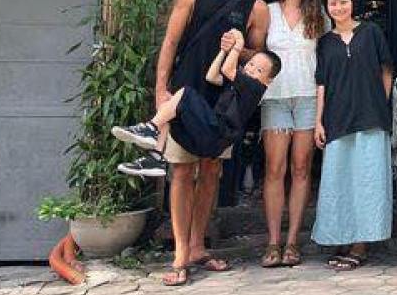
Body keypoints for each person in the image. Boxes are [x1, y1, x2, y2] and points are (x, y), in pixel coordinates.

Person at [147, 0, 270, 287]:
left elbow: (256, 57)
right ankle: (180, 253)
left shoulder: (257, 7)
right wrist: (160, 89)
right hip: (186, 91)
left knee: (211, 170)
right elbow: (171, 40)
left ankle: (199, 245)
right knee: (183, 172)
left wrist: (241, 45)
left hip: (222, 99)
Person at [113, 31, 281, 187]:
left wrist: (238, 45)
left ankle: (150, 128)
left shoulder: (255, 88)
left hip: (217, 134)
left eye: (259, 70)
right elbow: (212, 76)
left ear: (268, 81)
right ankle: (155, 157)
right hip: (205, 139)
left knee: (186, 93)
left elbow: (227, 70)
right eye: (250, 64)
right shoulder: (240, 84)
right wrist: (223, 51)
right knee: (169, 103)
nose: (250, 70)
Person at [311, 0, 394, 270]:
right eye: (333, 3)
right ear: (327, 7)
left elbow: (386, 70)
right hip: (337, 119)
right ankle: (342, 239)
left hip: (370, 119)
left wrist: (379, 105)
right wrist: (318, 121)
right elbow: (321, 83)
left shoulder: (371, 33)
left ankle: (361, 245)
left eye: (343, 1)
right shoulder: (325, 42)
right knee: (338, 182)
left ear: (352, 3)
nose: (339, 7)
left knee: (368, 181)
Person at [260, 0, 329, 269]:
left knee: (301, 168)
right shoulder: (268, 11)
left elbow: (330, 58)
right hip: (274, 96)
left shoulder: (318, 16)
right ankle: (273, 241)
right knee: (275, 168)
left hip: (306, 97)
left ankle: (292, 242)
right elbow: (254, 49)